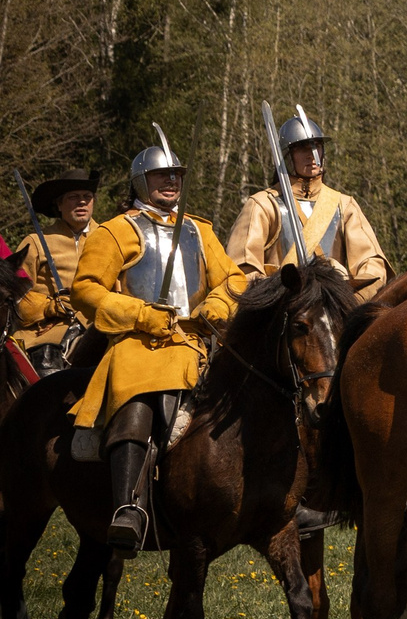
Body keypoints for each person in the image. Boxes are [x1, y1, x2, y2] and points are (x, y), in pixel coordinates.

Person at [68, 133, 246, 551]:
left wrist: (216, 307)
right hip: (138, 341)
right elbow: (87, 289)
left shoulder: (200, 231)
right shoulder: (116, 231)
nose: (170, 181)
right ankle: (128, 507)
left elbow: (233, 279)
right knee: (137, 386)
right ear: (139, 181)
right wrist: (140, 315)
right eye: (160, 174)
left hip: (196, 342)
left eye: (176, 174)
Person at [226, 106, 390, 299]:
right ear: (287, 156)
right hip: (282, 308)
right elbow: (242, 268)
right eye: (303, 148)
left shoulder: (345, 206)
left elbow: (372, 264)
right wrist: (277, 296)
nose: (312, 155)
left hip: (334, 304)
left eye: (317, 147)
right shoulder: (262, 205)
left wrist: (350, 301)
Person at [11, 168, 98, 375]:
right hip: (49, 331)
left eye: (87, 197)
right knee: (48, 370)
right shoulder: (35, 242)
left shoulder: (109, 237)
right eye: (73, 197)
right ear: (59, 204)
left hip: (99, 323)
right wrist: (50, 306)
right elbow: (15, 295)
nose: (82, 202)